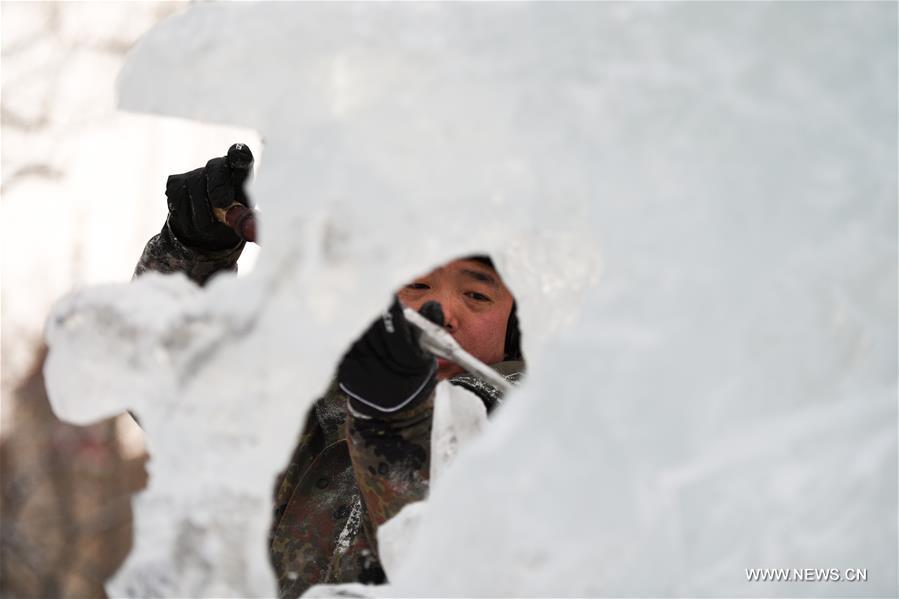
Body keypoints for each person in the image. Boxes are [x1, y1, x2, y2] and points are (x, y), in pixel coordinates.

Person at [133, 145, 525, 597]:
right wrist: (189, 258)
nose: (442, 312)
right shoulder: (315, 407)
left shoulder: (536, 436)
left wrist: (396, 423)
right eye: (417, 284)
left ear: (518, 321)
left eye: (477, 295)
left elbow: (456, 553)